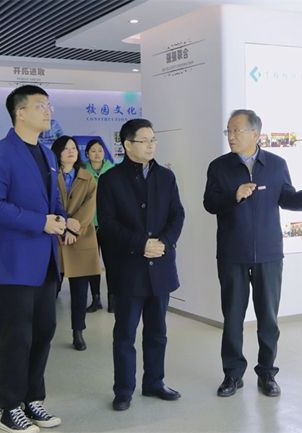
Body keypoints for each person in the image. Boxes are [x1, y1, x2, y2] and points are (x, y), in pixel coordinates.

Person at [203, 109, 302, 398]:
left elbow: (289, 201)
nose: (231, 136)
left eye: (237, 130)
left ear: (256, 134)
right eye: (229, 131)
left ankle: (267, 374)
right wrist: (234, 195)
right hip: (232, 254)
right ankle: (232, 374)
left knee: (268, 320)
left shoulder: (276, 165)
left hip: (269, 254)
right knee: (233, 318)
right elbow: (209, 204)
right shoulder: (219, 167)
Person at [0, 85, 76, 433]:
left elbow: (53, 202)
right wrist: (41, 223)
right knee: (16, 337)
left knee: (43, 331)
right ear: (20, 112)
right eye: (41, 106)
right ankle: (9, 407)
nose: (48, 111)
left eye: (49, 105)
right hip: (14, 264)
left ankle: (33, 398)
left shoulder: (47, 154)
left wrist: (62, 220)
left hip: (46, 262)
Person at [97, 118, 185, 411]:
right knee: (125, 334)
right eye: (144, 140)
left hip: (161, 265)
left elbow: (177, 215)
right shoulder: (111, 179)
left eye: (153, 140)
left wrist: (164, 243)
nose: (151, 145)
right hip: (128, 269)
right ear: (127, 145)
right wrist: (141, 243)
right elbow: (107, 224)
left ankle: (154, 382)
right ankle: (124, 390)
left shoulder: (166, 177)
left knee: (157, 332)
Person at [51, 135, 101, 351]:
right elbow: (46, 204)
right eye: (65, 148)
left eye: (73, 148)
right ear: (57, 152)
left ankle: (78, 331)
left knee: (80, 291)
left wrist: (74, 228)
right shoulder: (49, 176)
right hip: (55, 236)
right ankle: (44, 330)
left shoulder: (88, 178)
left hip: (80, 238)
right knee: (50, 288)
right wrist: (63, 226)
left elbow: (90, 207)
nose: (71, 151)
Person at [84, 139, 115, 313]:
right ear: (87, 153)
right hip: (89, 225)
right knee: (92, 264)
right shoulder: (82, 172)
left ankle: (113, 299)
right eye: (93, 151)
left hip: (109, 225)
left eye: (100, 150)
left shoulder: (113, 170)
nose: (97, 154)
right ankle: (96, 299)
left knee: (112, 263)